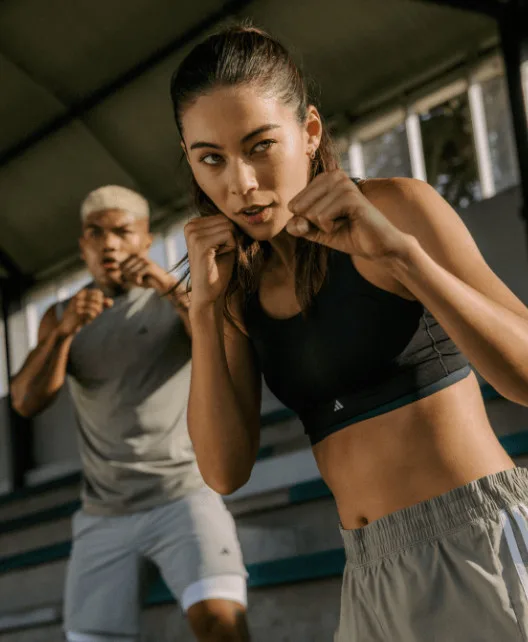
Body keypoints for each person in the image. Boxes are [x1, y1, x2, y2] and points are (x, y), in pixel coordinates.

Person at [169, 24, 528, 641]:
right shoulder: (233, 286)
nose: (241, 185)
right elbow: (225, 472)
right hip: (366, 575)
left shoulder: (397, 208)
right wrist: (204, 308)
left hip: (475, 546)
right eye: (212, 159)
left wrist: (406, 260)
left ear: (309, 133)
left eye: (260, 145)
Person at [10, 185, 250, 642]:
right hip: (104, 511)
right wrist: (61, 334)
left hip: (182, 496)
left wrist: (168, 287)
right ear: (83, 246)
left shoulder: (178, 295)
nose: (109, 244)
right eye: (95, 234)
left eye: (122, 232)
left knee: (223, 626)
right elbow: (25, 401)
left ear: (145, 238)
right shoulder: (62, 315)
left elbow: (224, 349)